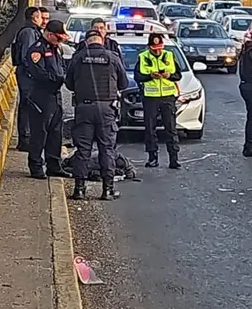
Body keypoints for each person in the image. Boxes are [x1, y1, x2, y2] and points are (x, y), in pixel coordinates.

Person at [64, 29, 129, 200]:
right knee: (106, 149)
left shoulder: (78, 58)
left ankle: (79, 189)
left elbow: (69, 83)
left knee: (83, 150)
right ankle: (107, 190)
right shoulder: (112, 58)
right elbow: (124, 83)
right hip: (107, 109)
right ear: (102, 41)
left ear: (86, 42)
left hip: (84, 108)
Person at [24, 20, 72, 179]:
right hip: (41, 95)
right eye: (58, 38)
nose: (60, 42)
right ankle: (36, 166)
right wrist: (56, 79)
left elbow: (61, 67)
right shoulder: (37, 50)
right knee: (40, 132)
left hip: (55, 95)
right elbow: (38, 73)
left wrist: (61, 78)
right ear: (50, 35)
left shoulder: (55, 48)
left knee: (56, 132)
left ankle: (54, 165)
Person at [134, 33, 182, 169]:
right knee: (150, 128)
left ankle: (174, 158)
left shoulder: (169, 55)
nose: (158, 51)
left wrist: (169, 75)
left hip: (167, 96)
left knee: (171, 128)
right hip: (150, 97)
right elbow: (138, 76)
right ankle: (152, 157)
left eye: (160, 48)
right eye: (155, 48)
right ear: (149, 47)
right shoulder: (143, 57)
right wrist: (150, 76)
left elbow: (178, 75)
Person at [11, 7, 42, 151]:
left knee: (28, 106)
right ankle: (25, 139)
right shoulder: (29, 32)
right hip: (27, 75)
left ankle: (27, 138)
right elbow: (29, 56)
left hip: (26, 74)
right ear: (34, 18)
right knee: (27, 106)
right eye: (40, 17)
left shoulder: (30, 31)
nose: (42, 20)